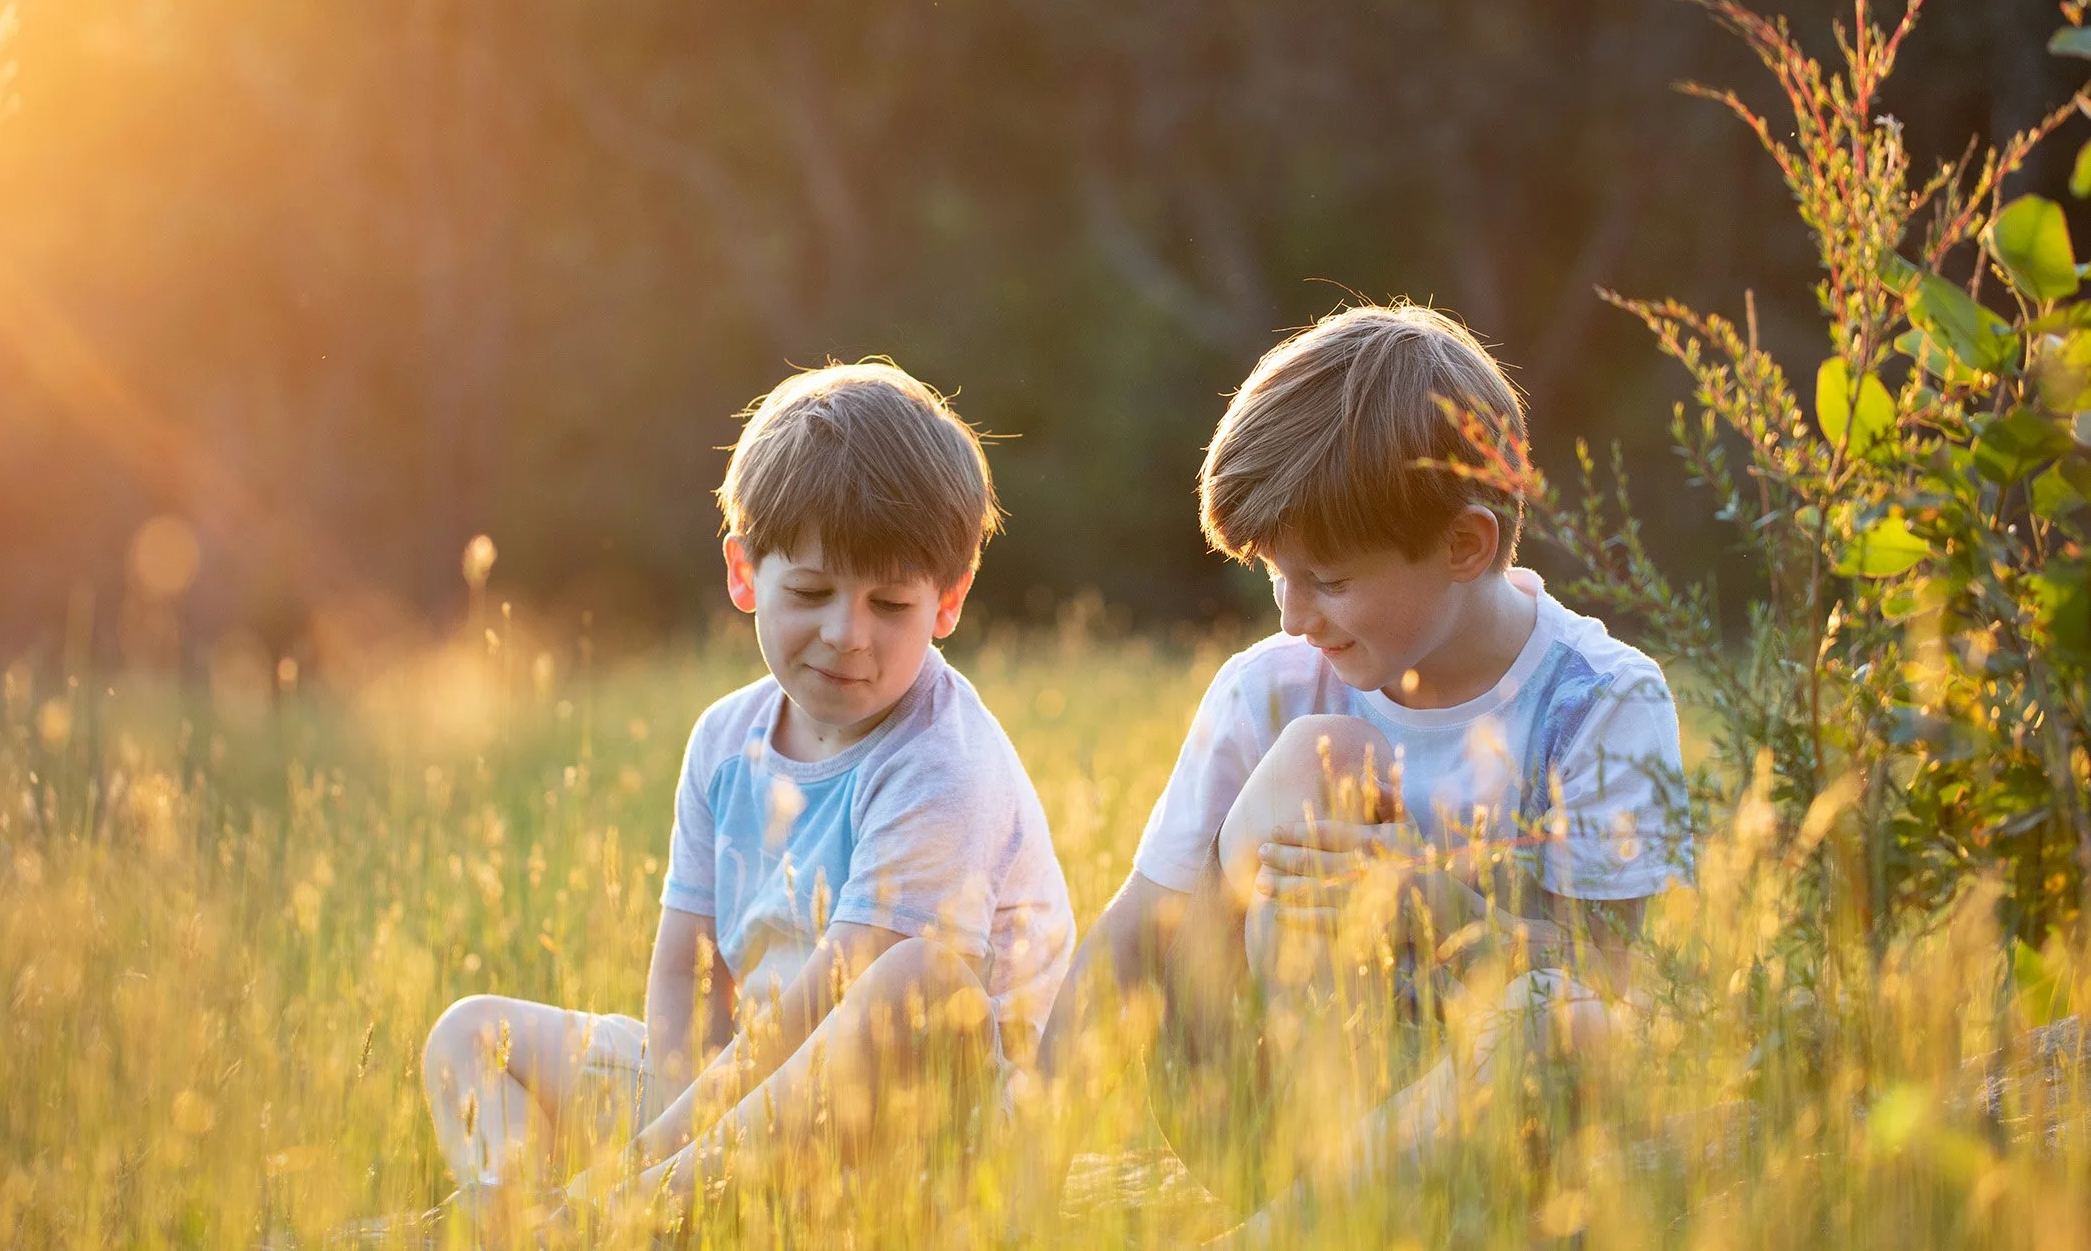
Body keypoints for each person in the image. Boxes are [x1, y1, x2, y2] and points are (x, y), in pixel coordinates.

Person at [1034, 304, 1694, 1225]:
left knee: (1561, 1016)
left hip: (1493, 1138)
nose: (1294, 617)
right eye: (1276, 574)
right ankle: (1319, 1212)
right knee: (1320, 759)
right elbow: (1139, 933)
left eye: (1331, 581)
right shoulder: (1269, 689)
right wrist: (1016, 1170)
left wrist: (1423, 899)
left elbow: (1619, 991)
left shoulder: (1599, 704)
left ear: (1465, 545)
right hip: (1261, 1106)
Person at [420, 362, 1074, 1233]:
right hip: (744, 1100)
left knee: (919, 981)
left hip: (927, 1122)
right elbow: (687, 977)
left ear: (947, 602)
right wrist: (681, 1117)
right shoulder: (724, 742)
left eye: (891, 603)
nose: (848, 634)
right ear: (743, 573)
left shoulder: (942, 764)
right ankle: (516, 1215)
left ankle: (623, 1219)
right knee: (469, 1034)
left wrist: (648, 1164)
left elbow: (831, 1003)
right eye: (810, 593)